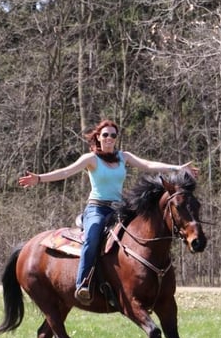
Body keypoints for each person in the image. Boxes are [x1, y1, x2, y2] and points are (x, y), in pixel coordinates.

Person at [19, 119, 199, 305]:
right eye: (105, 135)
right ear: (98, 137)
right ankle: (84, 283)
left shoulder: (123, 156)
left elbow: (148, 165)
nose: (109, 138)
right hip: (96, 208)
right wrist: (39, 179)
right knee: (93, 236)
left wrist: (178, 168)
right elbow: (65, 172)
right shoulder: (91, 159)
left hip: (119, 209)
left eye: (113, 135)